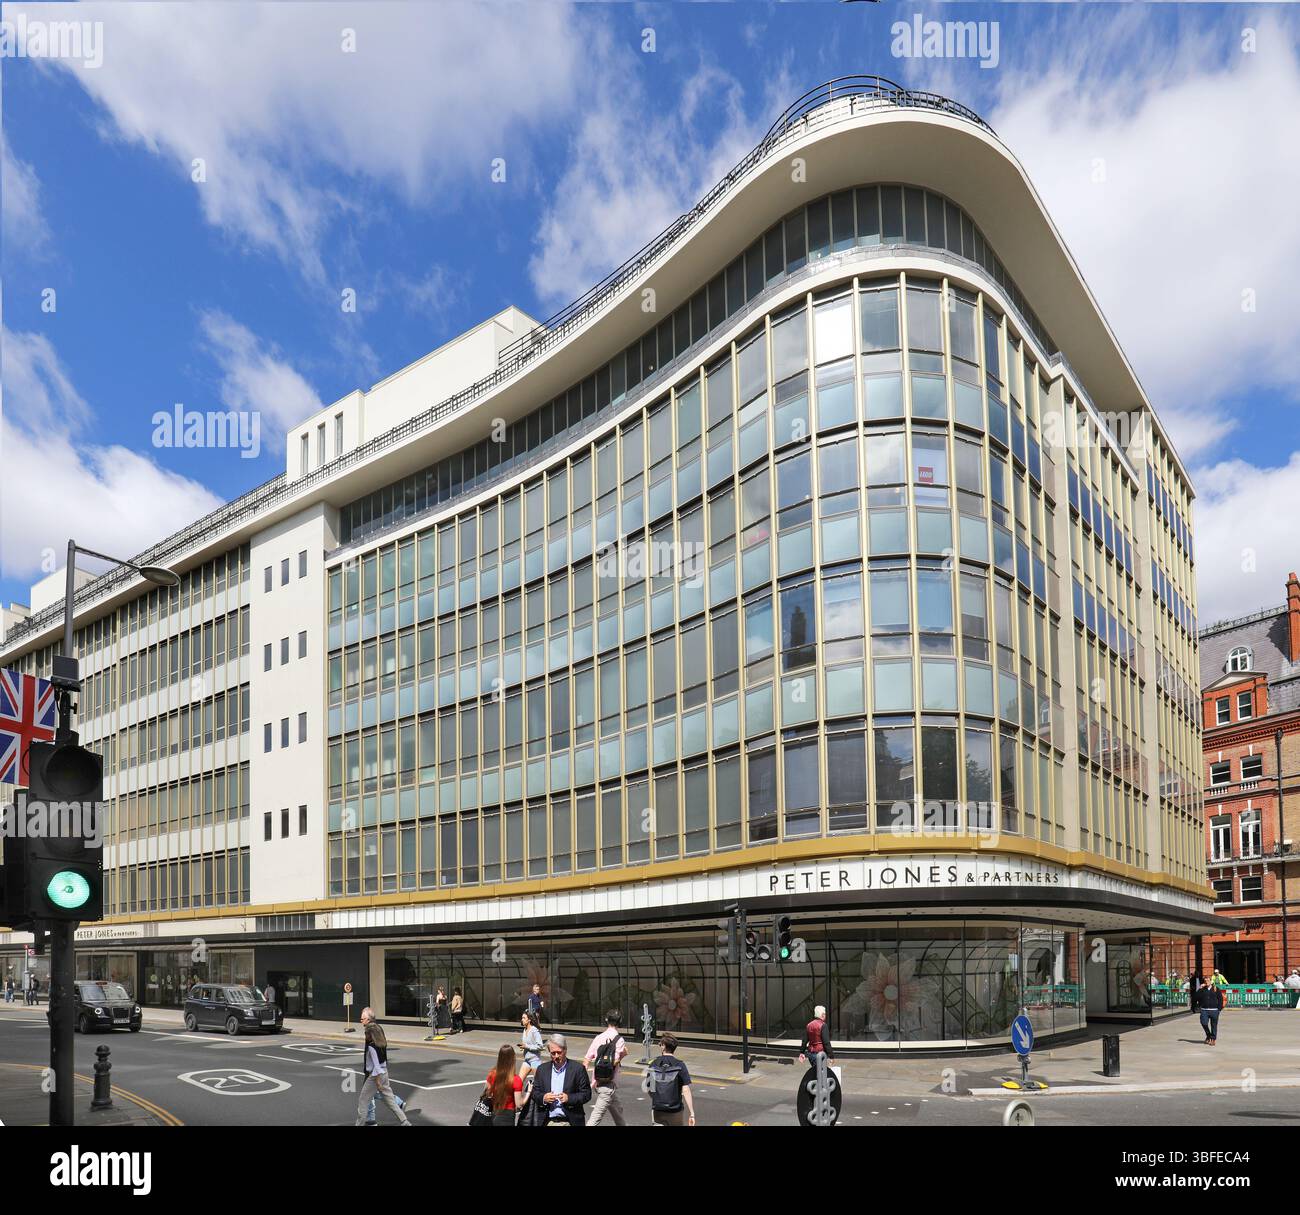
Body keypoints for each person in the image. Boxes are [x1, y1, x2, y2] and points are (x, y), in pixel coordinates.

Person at [354, 1007, 411, 1126]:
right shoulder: (379, 1031)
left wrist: (378, 1081)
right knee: (388, 1099)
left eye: (362, 1018)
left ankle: (362, 1123)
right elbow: (382, 1059)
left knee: (363, 1101)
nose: (361, 1021)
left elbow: (376, 1066)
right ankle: (404, 1121)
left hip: (375, 1076)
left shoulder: (371, 1044)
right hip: (384, 1071)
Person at [521, 1034, 591, 1127]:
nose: (556, 1056)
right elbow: (535, 1092)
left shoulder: (578, 1069)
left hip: (570, 1121)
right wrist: (543, 1098)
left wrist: (569, 1098)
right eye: (553, 1053)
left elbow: (586, 1094)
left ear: (565, 1050)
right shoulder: (542, 1069)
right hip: (547, 1121)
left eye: (559, 1052)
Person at [583, 1010, 629, 1126]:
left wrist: (583, 1082)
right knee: (595, 1119)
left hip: (599, 1081)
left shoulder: (599, 1037)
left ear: (606, 1021)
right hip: (607, 1085)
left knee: (618, 1111)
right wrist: (623, 1055)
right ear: (620, 1022)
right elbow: (614, 1061)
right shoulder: (619, 1040)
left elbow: (586, 1059)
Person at [646, 1033, 696, 1126]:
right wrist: (691, 1113)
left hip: (658, 1110)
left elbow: (649, 1088)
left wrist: (659, 1098)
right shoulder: (680, 1065)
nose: (659, 1046)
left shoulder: (653, 1064)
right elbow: (686, 1090)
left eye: (660, 1044)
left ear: (664, 1047)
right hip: (675, 1111)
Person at [486, 1044, 524, 1126]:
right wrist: (528, 1092)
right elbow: (519, 1104)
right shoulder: (516, 1080)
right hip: (508, 1116)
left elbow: (488, 1093)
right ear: (513, 1059)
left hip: (494, 1112)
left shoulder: (492, 1074)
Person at [799, 1004, 836, 1068]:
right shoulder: (823, 1025)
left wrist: (802, 1052)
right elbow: (826, 1042)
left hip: (810, 1054)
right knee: (821, 1074)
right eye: (824, 1014)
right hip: (820, 1054)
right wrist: (831, 1056)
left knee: (815, 1072)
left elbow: (804, 1041)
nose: (825, 1015)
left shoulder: (809, 1025)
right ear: (822, 1015)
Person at [518, 1010, 544, 1084]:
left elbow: (540, 1046)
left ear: (529, 1019)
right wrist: (523, 1047)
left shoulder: (534, 1030)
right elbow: (526, 1043)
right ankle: (519, 1095)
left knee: (538, 1084)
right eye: (522, 1018)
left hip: (535, 1061)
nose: (522, 1020)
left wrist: (527, 1046)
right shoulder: (525, 1029)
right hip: (527, 1060)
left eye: (524, 1018)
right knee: (518, 1082)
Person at [1196, 980, 1225, 1045]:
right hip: (1204, 1010)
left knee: (1214, 1025)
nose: (1207, 982)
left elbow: (1220, 999)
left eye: (1208, 981)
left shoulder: (1216, 989)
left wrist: (1219, 1009)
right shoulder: (1202, 989)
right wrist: (1200, 988)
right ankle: (1208, 1035)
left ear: (1211, 982)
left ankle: (1213, 1039)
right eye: (1205, 981)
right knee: (1204, 1023)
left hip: (1214, 1010)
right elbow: (1196, 997)